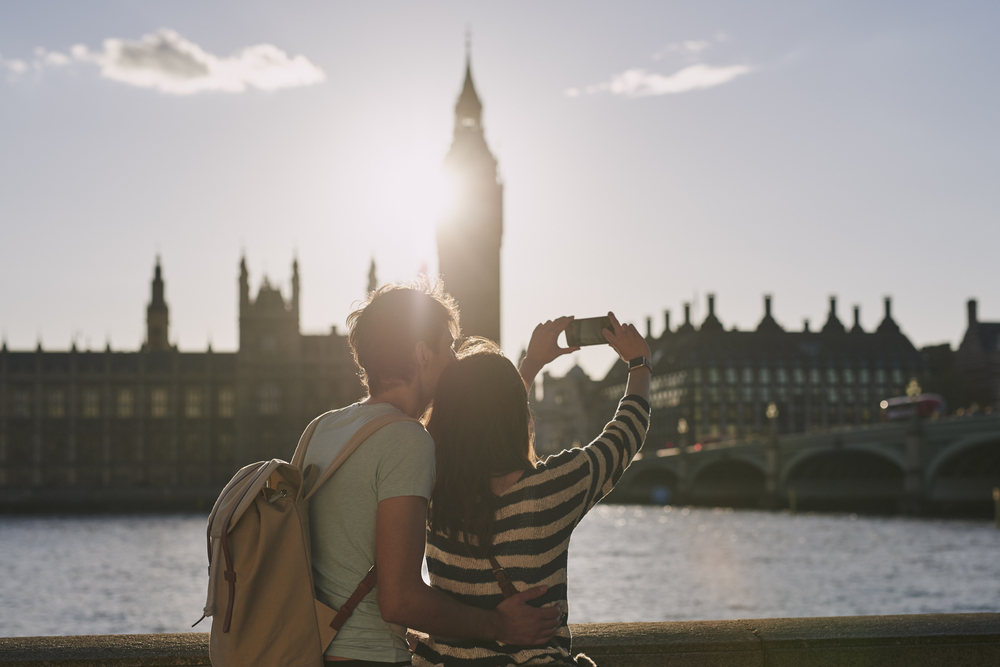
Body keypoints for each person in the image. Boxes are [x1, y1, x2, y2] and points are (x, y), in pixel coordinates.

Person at [303, 279, 561, 666]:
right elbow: (399, 600)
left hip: (310, 650)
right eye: (450, 348)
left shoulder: (322, 428)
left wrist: (528, 368)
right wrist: (499, 626)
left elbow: (483, 429)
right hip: (371, 658)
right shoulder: (407, 441)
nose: (457, 362)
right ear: (423, 354)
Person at [413, 313, 651, 667]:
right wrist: (639, 364)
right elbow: (624, 435)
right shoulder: (552, 489)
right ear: (519, 414)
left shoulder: (429, 486)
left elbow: (477, 418)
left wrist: (531, 363)